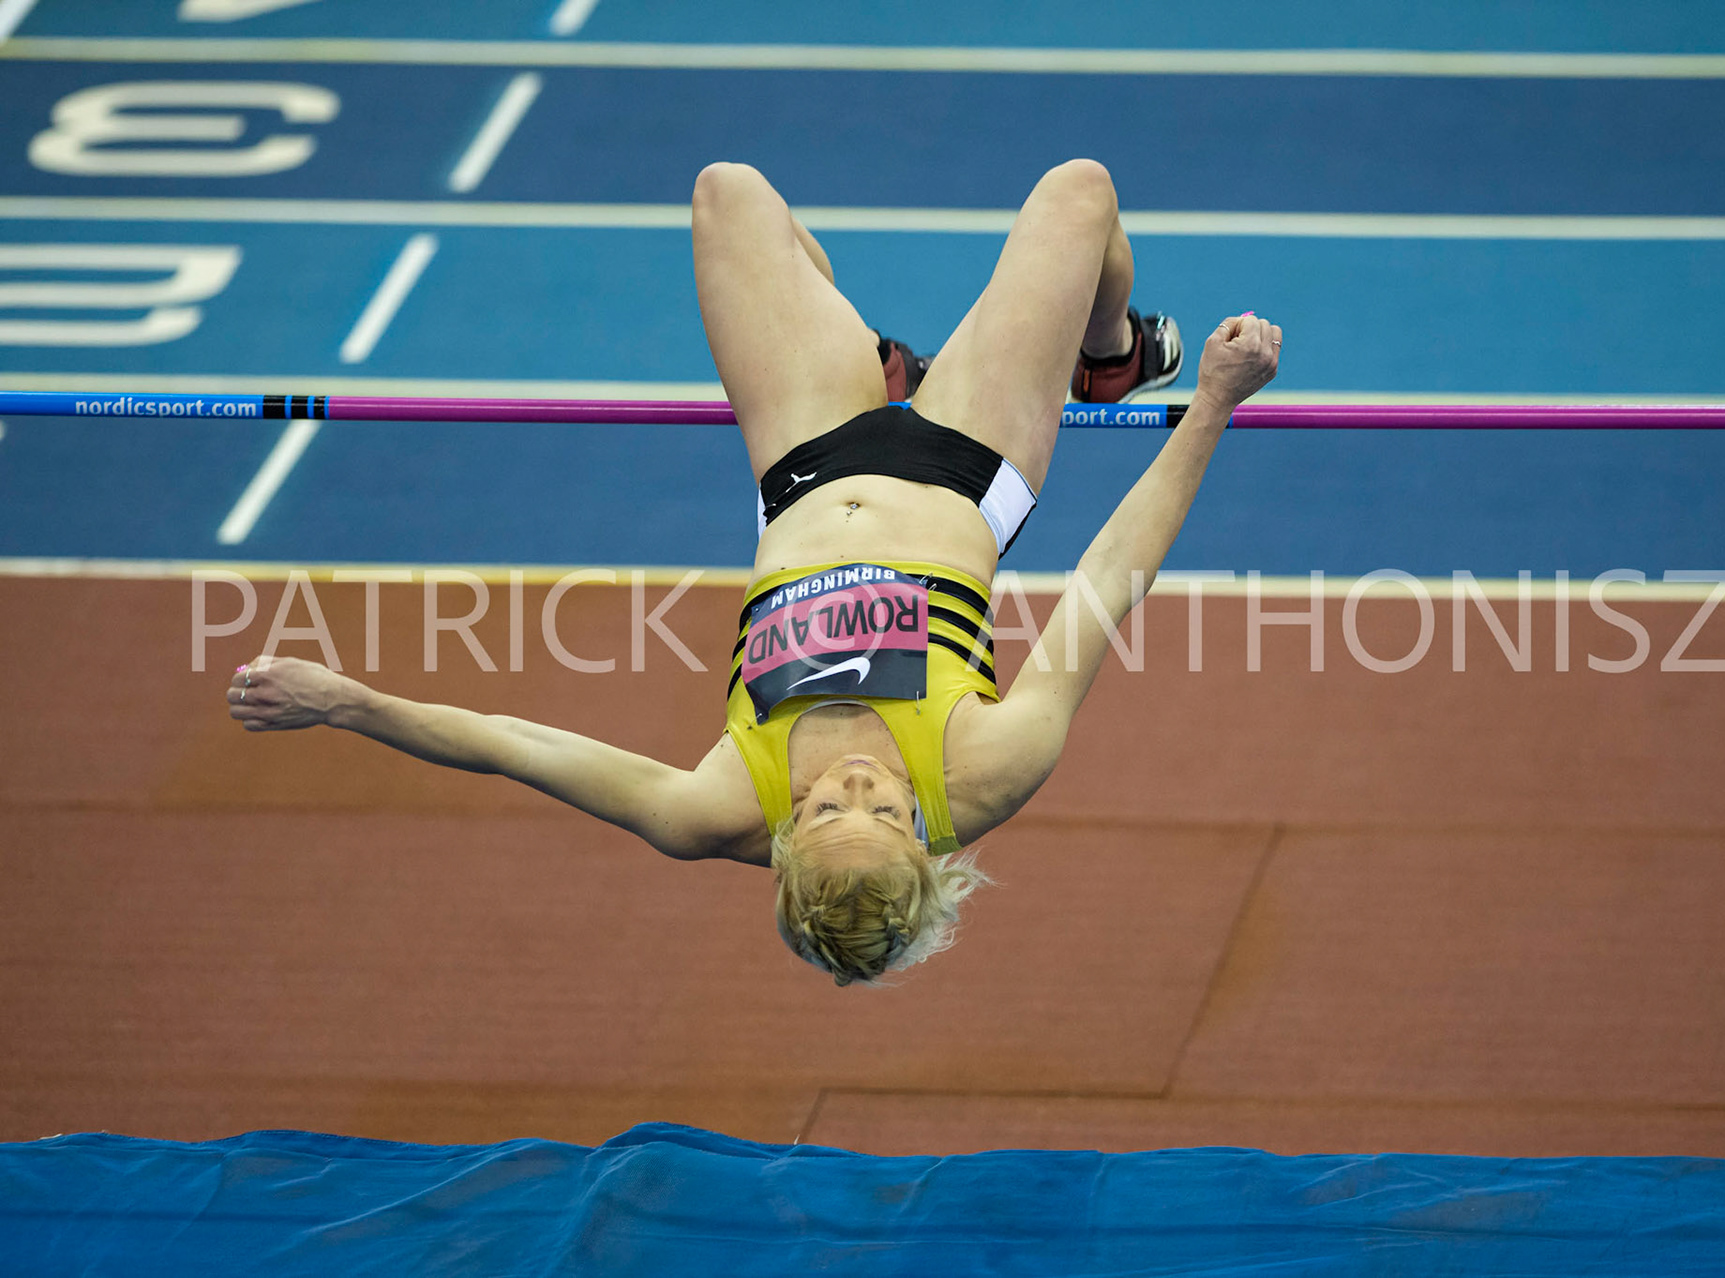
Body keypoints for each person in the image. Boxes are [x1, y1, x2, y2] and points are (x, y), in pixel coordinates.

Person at [227, 159, 1281, 986]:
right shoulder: (990, 766)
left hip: (806, 462)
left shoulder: (714, 809)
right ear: (928, 845)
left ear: (780, 847)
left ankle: (866, 354)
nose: (860, 790)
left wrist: (346, 702)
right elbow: (1108, 579)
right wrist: (1213, 406)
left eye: (828, 814)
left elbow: (518, 745)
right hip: (968, 464)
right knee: (1080, 193)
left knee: (730, 197)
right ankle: (1113, 358)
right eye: (886, 815)